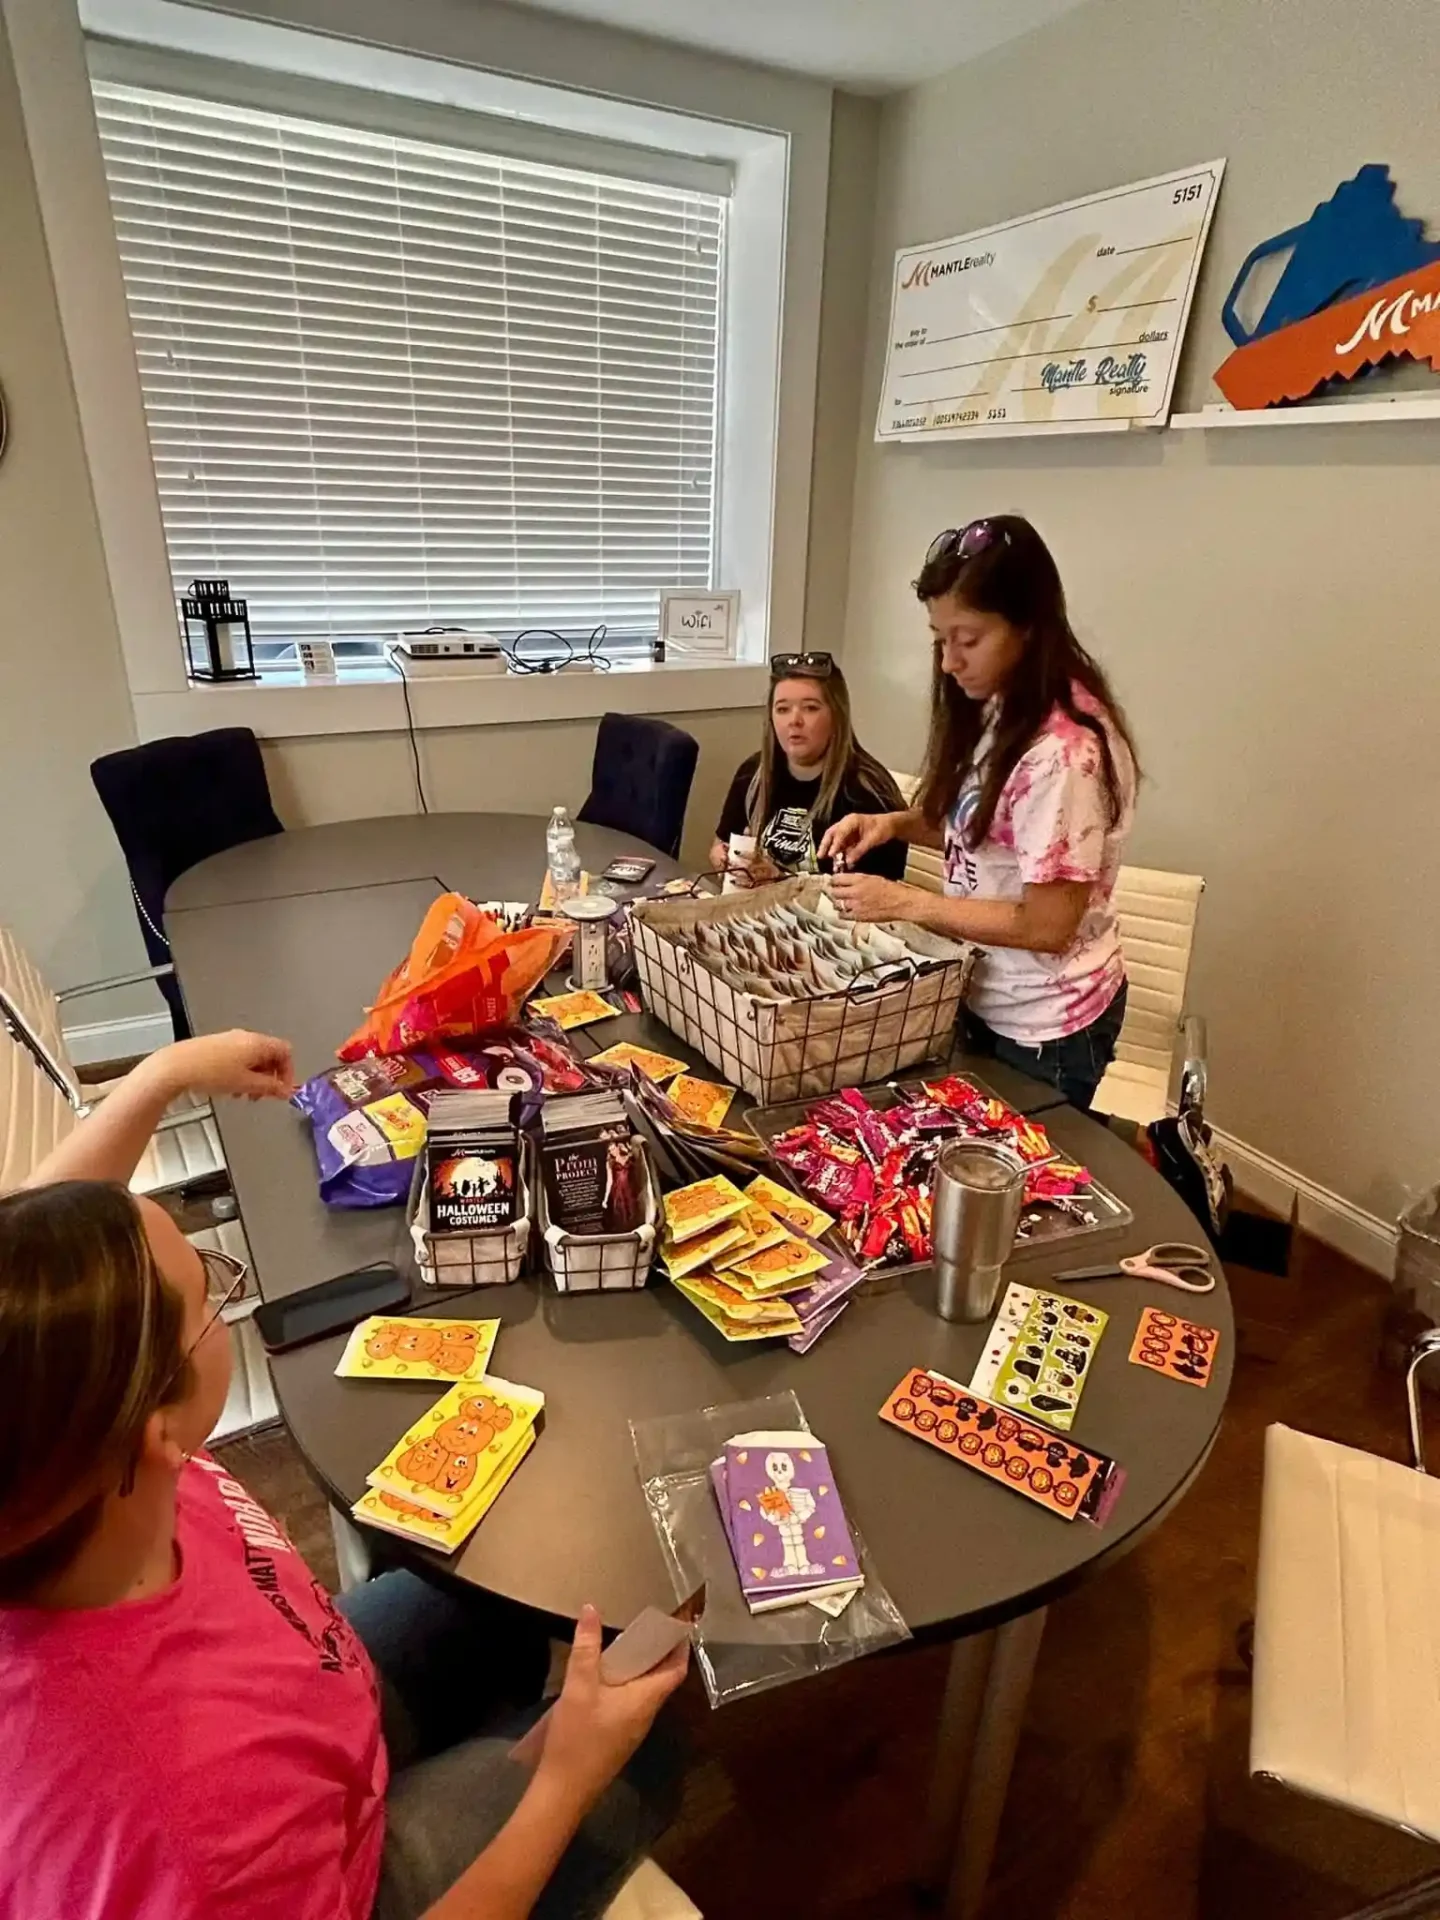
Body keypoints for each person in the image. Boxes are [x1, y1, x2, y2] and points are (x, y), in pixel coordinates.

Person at [0, 1031, 686, 1920]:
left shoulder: (58, 1460)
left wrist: (160, 1077)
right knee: (644, 1757)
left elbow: (39, 1255)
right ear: (153, 1424)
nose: (222, 1304)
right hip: (341, 1879)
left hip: (309, 1693)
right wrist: (567, 1779)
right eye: (208, 1291)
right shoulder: (186, 1825)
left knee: (500, 1618)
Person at [820, 516, 1139, 1111]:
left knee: (1021, 1161)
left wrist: (906, 903)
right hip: (984, 989)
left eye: (967, 640)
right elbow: (981, 824)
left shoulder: (1065, 754)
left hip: (1047, 1024)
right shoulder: (996, 704)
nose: (948, 662)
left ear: (1028, 627)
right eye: (940, 639)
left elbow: (1047, 926)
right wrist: (892, 824)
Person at [710, 651, 908, 883]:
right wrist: (724, 858)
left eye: (810, 708)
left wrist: (780, 880)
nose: (794, 721)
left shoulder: (868, 791)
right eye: (782, 709)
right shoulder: (753, 774)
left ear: (836, 715)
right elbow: (718, 845)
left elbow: (874, 896)